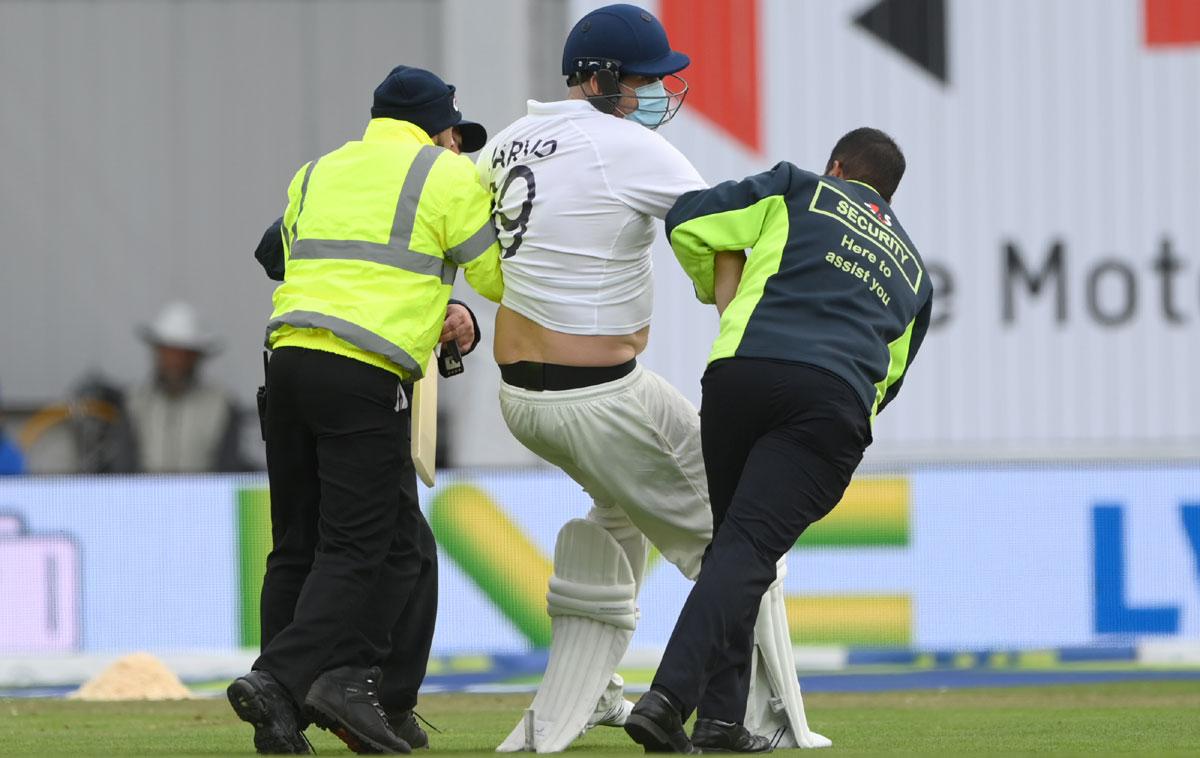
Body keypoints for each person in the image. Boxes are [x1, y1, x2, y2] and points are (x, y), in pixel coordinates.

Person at [477, 4, 823, 752]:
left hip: (521, 399)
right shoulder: (630, 147)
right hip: (598, 396)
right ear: (599, 80)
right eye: (645, 81)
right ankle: (753, 720)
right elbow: (721, 229)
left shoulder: (505, 143)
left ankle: (592, 689)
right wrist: (736, 323)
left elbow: (469, 244)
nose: (659, 94)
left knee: (623, 510)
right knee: (741, 545)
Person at [625, 128, 933, 753]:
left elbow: (690, 219)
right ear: (890, 195)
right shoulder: (916, 275)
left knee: (733, 547)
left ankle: (719, 718)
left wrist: (725, 294)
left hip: (741, 373)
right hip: (830, 402)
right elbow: (889, 378)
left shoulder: (798, 187)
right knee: (749, 548)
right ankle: (666, 701)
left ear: (837, 167)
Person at [227, 64, 503, 756]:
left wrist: (417, 294)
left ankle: (282, 720)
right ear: (440, 128)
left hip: (287, 362)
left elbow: (275, 254)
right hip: (362, 373)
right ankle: (285, 681)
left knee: (297, 546)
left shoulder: (319, 171)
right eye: (455, 136)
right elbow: (500, 272)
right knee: (365, 547)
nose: (458, 148)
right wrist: (449, 301)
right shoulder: (446, 176)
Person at [125, 301, 247, 473]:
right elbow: (125, 463)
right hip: (144, 497)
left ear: (197, 357)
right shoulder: (135, 401)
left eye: (183, 354)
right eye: (168, 352)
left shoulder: (220, 404)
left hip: (205, 497)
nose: (175, 361)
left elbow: (228, 464)